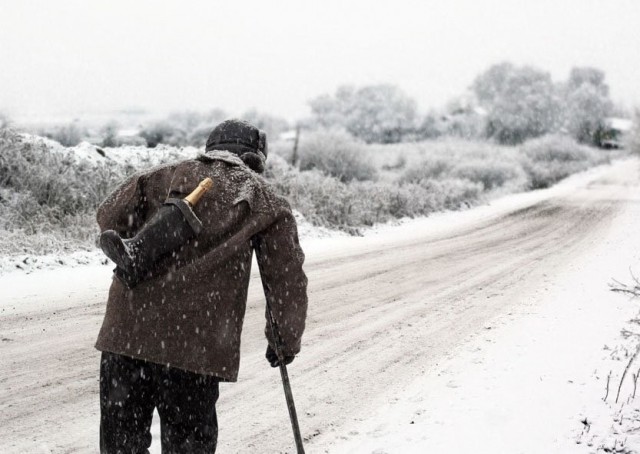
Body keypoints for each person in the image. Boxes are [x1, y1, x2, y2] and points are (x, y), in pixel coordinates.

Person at [95, 119, 308, 453]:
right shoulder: (266, 200)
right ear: (255, 158)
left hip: (127, 335)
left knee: (121, 445)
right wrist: (284, 340)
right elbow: (285, 279)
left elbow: (108, 217)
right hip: (196, 348)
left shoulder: (162, 175)